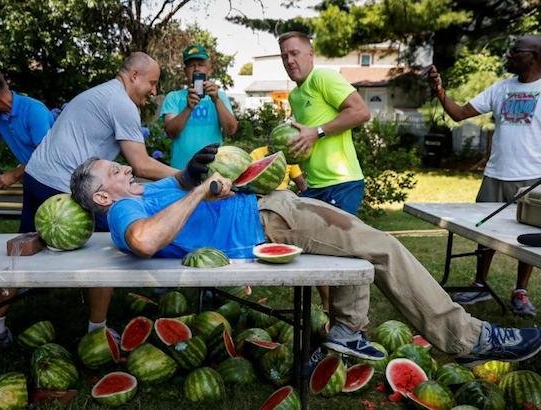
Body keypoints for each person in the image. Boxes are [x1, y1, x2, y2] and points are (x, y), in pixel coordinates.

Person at [70, 150, 541, 368]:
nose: (126, 168)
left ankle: (346, 332)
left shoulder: (141, 190)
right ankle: (467, 338)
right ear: (103, 197)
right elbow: (146, 240)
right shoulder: (124, 212)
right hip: (271, 222)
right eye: (115, 171)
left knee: (364, 240)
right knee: (383, 247)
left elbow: (178, 187)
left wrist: (193, 169)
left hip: (269, 209)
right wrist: (198, 189)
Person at [0, 52, 178, 350]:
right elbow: (142, 164)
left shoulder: (99, 92)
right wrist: (190, 175)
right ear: (134, 75)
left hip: (36, 177)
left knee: (22, 251)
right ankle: (97, 332)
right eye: (152, 82)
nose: (154, 90)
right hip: (68, 187)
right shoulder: (122, 104)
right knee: (107, 255)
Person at [428, 35, 541, 316]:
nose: (510, 54)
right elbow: (459, 114)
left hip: (532, 178)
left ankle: (520, 291)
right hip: (495, 173)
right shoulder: (501, 88)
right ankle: (479, 284)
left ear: (535, 56)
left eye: (516, 51)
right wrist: (440, 91)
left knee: (527, 237)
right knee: (484, 232)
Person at [278, 31, 371, 308]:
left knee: (340, 259)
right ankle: (332, 319)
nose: (290, 60)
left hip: (341, 183)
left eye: (295, 53)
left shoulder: (323, 77)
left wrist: (316, 132)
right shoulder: (295, 96)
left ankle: (351, 327)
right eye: (285, 56)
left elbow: (360, 112)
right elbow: (305, 138)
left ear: (310, 54)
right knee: (312, 257)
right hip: (314, 186)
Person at [160, 44, 238, 170]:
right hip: (180, 173)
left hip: (212, 170)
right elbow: (171, 133)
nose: (196, 68)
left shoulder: (220, 97)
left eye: (201, 64)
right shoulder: (173, 97)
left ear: (209, 69)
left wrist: (216, 100)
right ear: (185, 71)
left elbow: (231, 130)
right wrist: (188, 108)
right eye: (191, 65)